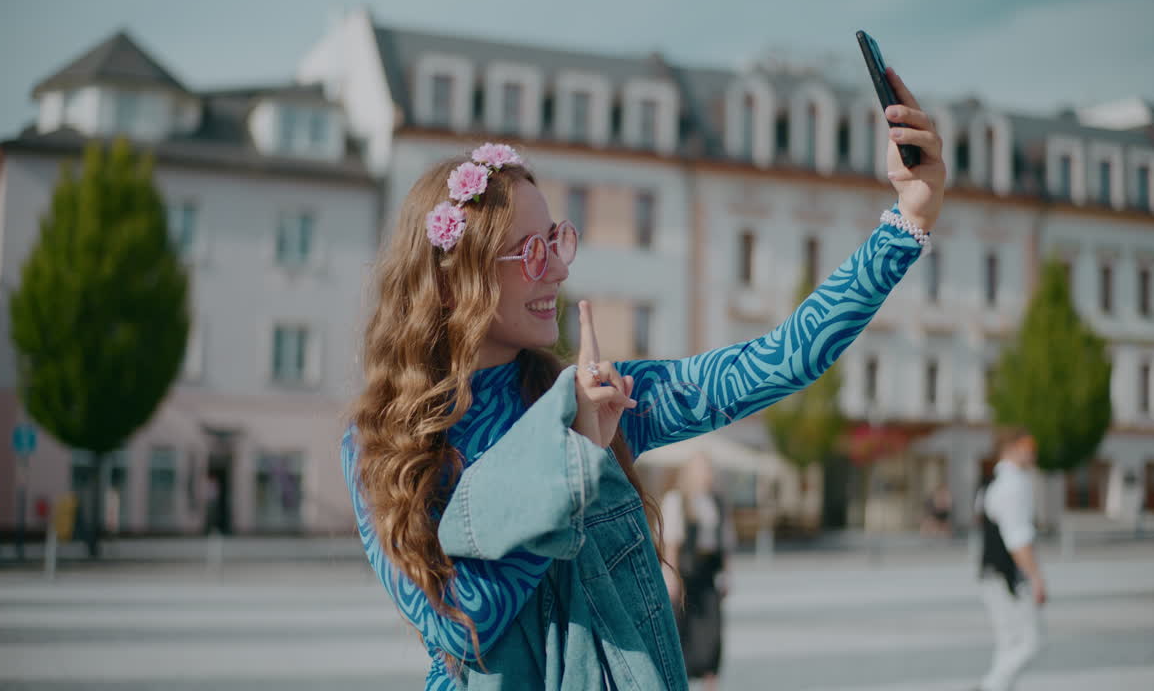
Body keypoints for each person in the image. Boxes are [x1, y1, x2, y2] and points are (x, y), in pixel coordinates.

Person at [341, 67, 945, 690]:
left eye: (556, 240)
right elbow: (461, 624)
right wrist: (571, 457)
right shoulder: (383, 445)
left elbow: (776, 361)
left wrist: (907, 221)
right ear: (450, 284)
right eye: (529, 253)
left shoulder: (594, 396)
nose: (555, 270)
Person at [976, 427, 1046, 691]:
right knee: (1030, 642)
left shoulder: (991, 480)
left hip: (991, 573)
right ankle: (989, 686)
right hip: (1008, 577)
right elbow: (1017, 539)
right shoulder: (1013, 484)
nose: (1033, 451)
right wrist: (1036, 578)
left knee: (1008, 644)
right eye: (1028, 444)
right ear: (1011, 447)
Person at [662, 451, 735, 690]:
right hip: (686, 575)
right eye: (702, 469)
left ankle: (710, 682)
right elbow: (671, 543)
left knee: (712, 633)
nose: (707, 474)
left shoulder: (716, 502)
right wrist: (670, 576)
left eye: (708, 469)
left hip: (708, 575)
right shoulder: (678, 500)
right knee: (683, 632)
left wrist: (727, 573)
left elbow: (724, 543)